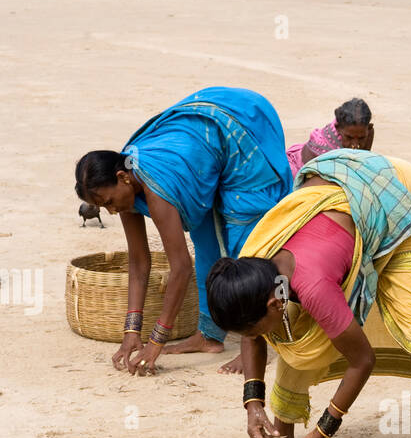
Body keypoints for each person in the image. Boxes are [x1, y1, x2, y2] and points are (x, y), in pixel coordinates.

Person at [206, 150, 411, 438]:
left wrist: (324, 431)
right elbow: (256, 333)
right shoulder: (255, 262)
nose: (250, 339)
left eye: (251, 329)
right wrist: (253, 406)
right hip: (336, 184)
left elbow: (362, 360)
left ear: (273, 302)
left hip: (395, 192)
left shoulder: (312, 286)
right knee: (294, 333)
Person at [74, 87, 292, 376]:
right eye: (104, 207)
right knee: (207, 245)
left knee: (245, 246)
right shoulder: (125, 188)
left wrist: (156, 341)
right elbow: (139, 262)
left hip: (238, 132)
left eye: (109, 202)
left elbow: (180, 268)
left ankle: (255, 343)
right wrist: (131, 331)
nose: (112, 211)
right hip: (203, 155)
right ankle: (210, 336)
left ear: (122, 177)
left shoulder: (157, 190)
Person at [286, 98, 373, 180]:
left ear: (368, 128)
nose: (355, 144)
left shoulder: (367, 132)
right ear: (338, 128)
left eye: (361, 138)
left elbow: (361, 163)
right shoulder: (322, 147)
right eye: (349, 137)